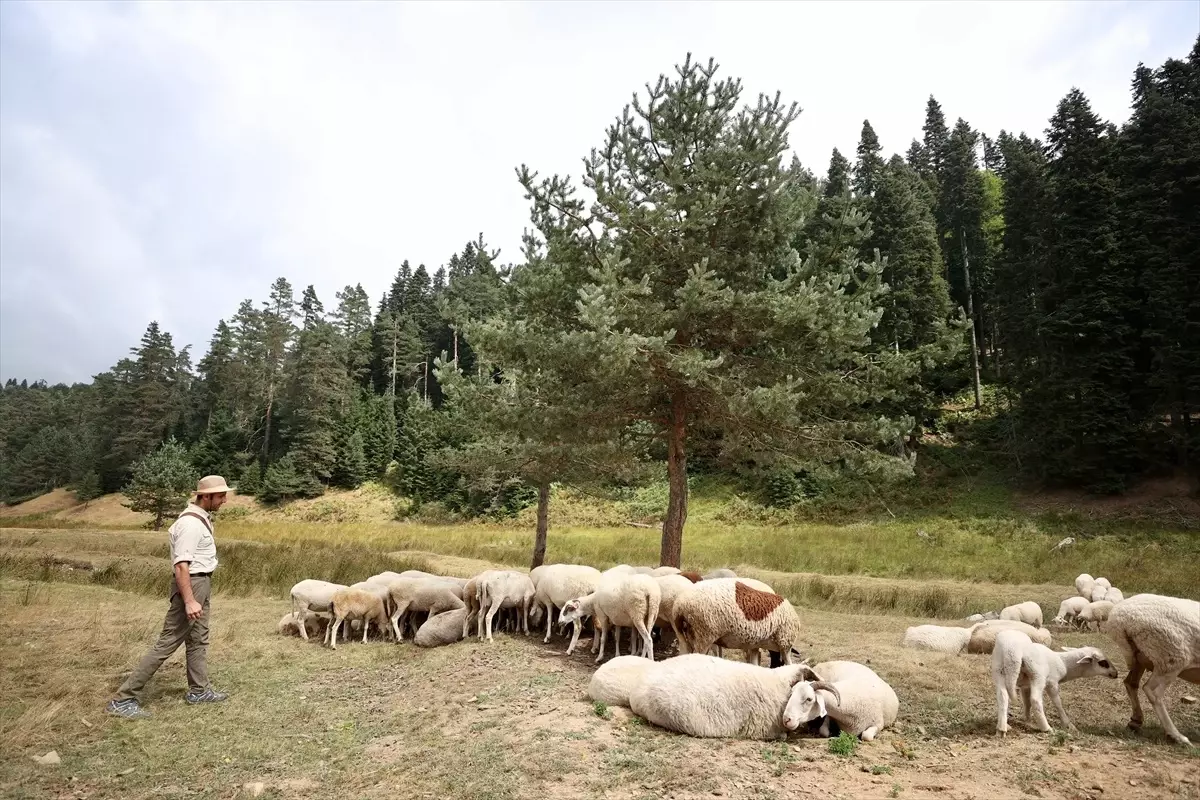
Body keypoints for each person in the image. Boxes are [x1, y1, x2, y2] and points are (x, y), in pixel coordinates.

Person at [107, 475, 232, 719]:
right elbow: (182, 566)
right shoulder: (190, 524)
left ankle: (199, 691)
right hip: (192, 584)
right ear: (205, 496)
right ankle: (122, 699)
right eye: (221, 496)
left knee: (198, 639)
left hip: (201, 582)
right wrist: (189, 600)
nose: (224, 500)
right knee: (168, 642)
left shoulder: (200, 520)